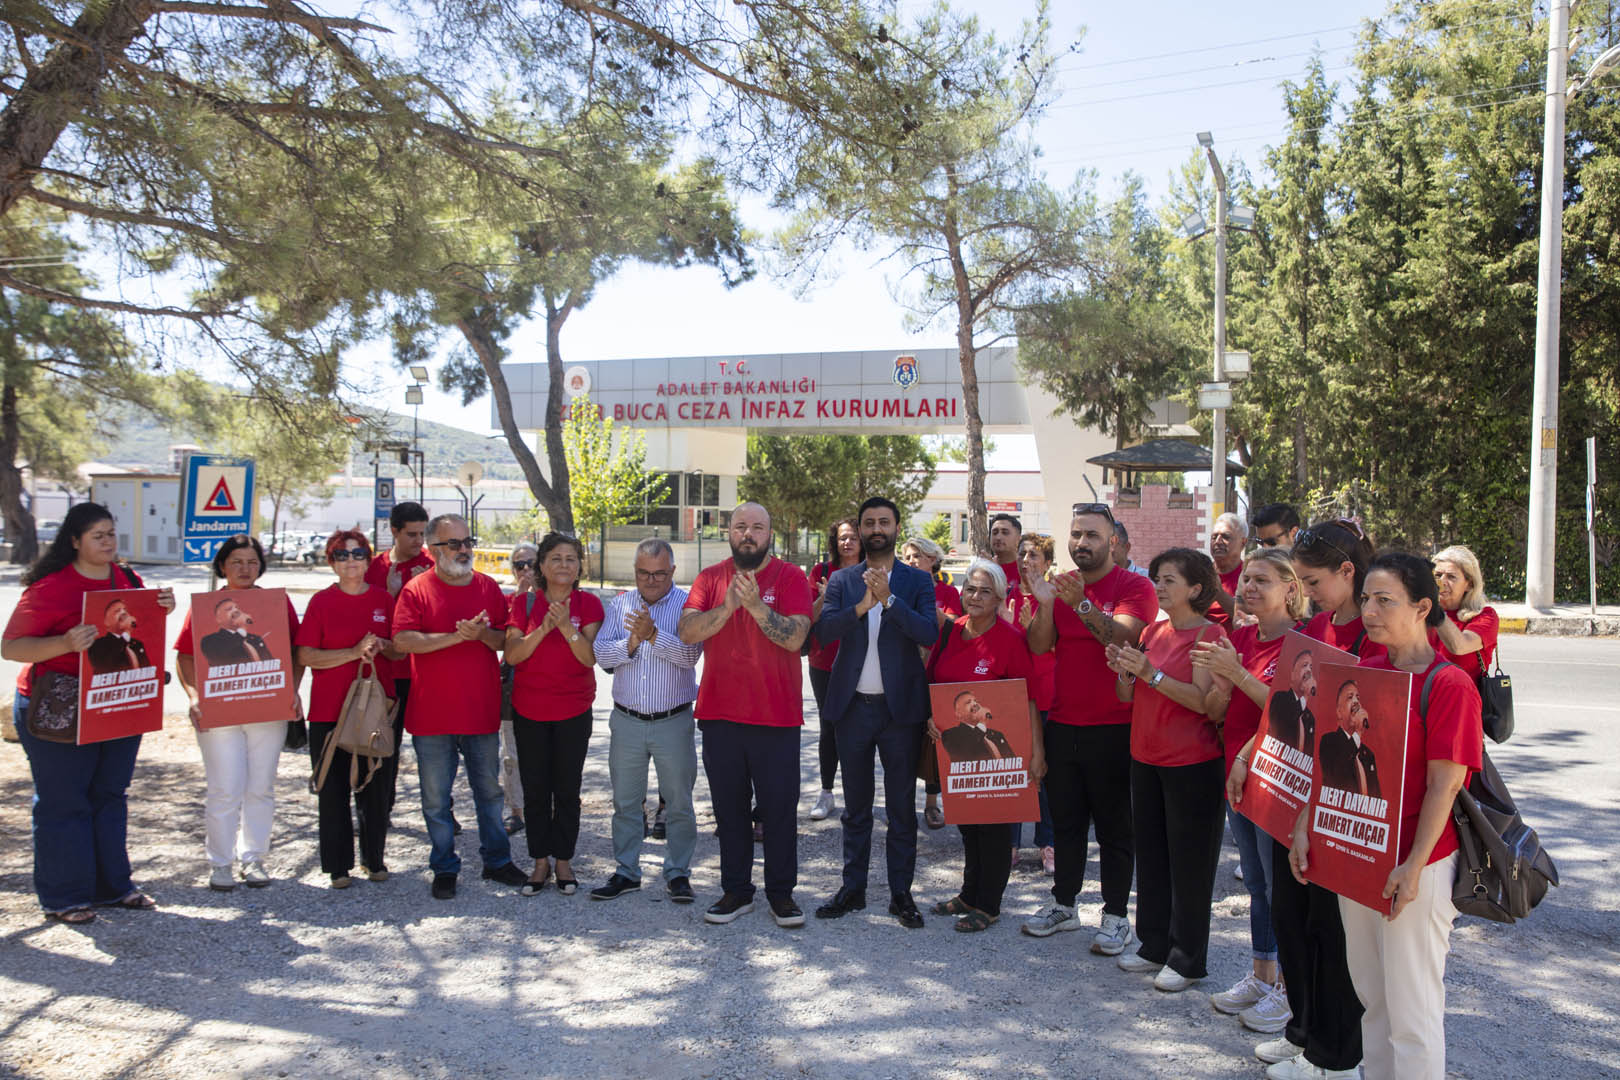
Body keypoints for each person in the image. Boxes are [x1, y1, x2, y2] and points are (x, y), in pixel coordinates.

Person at [1292, 552, 1481, 1080]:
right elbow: (1326, 768)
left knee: (1412, 1015)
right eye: (1367, 599)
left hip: (1417, 864)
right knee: (1373, 1003)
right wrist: (1305, 827)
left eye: (1385, 600)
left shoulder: (1449, 684)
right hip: (1359, 857)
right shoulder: (1365, 675)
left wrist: (1414, 866)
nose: (1370, 611)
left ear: (1422, 608)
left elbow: (1446, 785)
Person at [3, 503, 174, 922]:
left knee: (110, 795)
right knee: (64, 801)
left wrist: (160, 607)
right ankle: (64, 897)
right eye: (98, 535)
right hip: (60, 705)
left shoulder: (127, 579)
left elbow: (139, 631)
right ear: (75, 541)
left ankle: (113, 887)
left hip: (117, 701)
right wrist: (63, 643)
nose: (108, 542)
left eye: (111, 533)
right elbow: (11, 646)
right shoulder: (51, 588)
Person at [1254, 518, 1381, 1078]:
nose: (1306, 593)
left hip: (1341, 805)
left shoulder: (1374, 635)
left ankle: (1336, 1055)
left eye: (1312, 581)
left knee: (1333, 931)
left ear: (1348, 571)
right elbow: (1285, 700)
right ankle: (1303, 1030)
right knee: (1291, 916)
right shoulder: (1319, 627)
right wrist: (1248, 755)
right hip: (1295, 796)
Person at [1022, 502, 1158, 952]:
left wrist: (1080, 602)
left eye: (1092, 535)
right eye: (1076, 534)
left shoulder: (1135, 586)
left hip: (1116, 726)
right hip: (1064, 723)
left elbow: (1123, 638)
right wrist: (1046, 604)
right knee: (1066, 823)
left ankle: (1116, 915)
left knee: (1116, 828)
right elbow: (1039, 645)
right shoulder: (1061, 585)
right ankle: (1064, 904)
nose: (1082, 543)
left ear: (1113, 542)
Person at [679, 502, 813, 928]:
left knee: (779, 811)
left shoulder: (790, 578)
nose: (748, 534)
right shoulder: (709, 578)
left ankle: (781, 894)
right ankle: (736, 891)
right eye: (741, 526)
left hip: (776, 717)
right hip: (721, 716)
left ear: (770, 534)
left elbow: (795, 638)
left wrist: (755, 606)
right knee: (729, 811)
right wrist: (728, 607)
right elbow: (687, 631)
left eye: (757, 527)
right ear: (729, 533)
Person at [1104, 548, 1228, 993]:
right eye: (1157, 578)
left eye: (1169, 580)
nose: (1159, 586)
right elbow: (1126, 696)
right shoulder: (1153, 631)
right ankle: (1153, 944)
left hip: (1192, 764)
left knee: (1190, 866)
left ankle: (1187, 958)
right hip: (1146, 757)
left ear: (1196, 588)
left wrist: (1150, 673)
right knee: (1153, 858)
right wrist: (1125, 672)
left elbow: (1203, 702)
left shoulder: (1211, 635)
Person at [1197, 547, 1309, 1034]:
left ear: (1291, 589)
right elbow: (1216, 711)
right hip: (1237, 774)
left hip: (1278, 778)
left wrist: (1238, 674)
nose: (1249, 588)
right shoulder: (1239, 638)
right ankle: (1262, 975)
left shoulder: (1303, 643)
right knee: (1258, 884)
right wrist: (1222, 683)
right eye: (1246, 579)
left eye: (1262, 580)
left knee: (1281, 887)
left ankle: (1288, 987)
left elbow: (1293, 712)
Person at [813, 497, 938, 930]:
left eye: (884, 521)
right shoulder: (842, 580)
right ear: (862, 529)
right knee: (856, 808)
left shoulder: (917, 581)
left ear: (897, 527)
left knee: (901, 809)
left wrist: (889, 601)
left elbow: (928, 633)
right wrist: (862, 605)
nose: (876, 529)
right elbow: (824, 631)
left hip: (899, 713)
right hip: (853, 710)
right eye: (869, 522)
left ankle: (901, 894)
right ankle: (853, 889)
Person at [391, 514, 526, 900]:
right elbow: (402, 641)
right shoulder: (416, 590)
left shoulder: (487, 587)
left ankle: (497, 861)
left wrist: (480, 634)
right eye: (454, 544)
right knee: (436, 800)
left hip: (479, 712)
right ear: (433, 549)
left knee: (490, 794)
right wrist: (454, 638)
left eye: (468, 541)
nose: (464, 549)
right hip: (431, 716)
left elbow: (504, 642)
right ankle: (445, 867)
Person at [175, 534, 304, 891]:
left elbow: (295, 652)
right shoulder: (204, 610)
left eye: (252, 562)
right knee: (224, 788)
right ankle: (220, 863)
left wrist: (292, 689)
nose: (245, 569)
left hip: (268, 710)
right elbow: (185, 657)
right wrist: (193, 696)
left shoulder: (275, 605)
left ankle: (254, 858)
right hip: (219, 713)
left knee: (261, 786)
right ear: (222, 566)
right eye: (236, 562)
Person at [925, 559, 1045, 932]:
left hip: (998, 751)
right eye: (970, 589)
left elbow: (1029, 699)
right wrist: (933, 719)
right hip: (958, 750)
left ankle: (989, 905)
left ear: (999, 598)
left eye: (985, 591)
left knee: (993, 829)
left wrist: (1037, 752)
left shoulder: (1010, 639)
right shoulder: (950, 631)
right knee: (968, 824)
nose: (975, 596)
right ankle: (969, 894)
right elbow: (936, 683)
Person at [589, 538, 704, 903]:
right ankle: (626, 871)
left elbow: (689, 656)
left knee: (679, 803)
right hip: (627, 721)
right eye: (643, 573)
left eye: (659, 574)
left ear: (673, 571)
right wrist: (632, 643)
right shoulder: (621, 604)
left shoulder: (687, 605)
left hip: (673, 721)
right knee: (626, 802)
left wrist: (653, 634)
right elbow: (601, 655)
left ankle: (678, 872)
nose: (651, 581)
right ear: (635, 571)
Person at [294, 531, 401, 888]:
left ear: (368, 559)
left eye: (357, 553)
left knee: (375, 788)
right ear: (332, 562)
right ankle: (338, 867)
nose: (350, 560)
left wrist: (383, 645)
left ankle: (374, 859)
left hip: (374, 710)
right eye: (342, 554)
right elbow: (306, 655)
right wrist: (353, 653)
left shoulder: (384, 600)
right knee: (332, 789)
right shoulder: (321, 602)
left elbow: (400, 650)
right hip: (329, 712)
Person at [504, 531, 603, 896]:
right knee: (535, 790)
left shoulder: (589, 604)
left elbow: (589, 658)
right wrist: (544, 628)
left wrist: (566, 628)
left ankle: (563, 860)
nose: (564, 565)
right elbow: (513, 655)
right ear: (542, 566)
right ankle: (539, 862)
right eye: (556, 558)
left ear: (579, 567)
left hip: (573, 711)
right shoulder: (524, 603)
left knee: (566, 790)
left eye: (571, 559)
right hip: (529, 711)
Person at [365, 501, 432, 819]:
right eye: (411, 534)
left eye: (422, 534)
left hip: (421, 674)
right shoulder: (374, 568)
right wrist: (393, 594)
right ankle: (378, 811)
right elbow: (367, 618)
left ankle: (442, 811)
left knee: (433, 747)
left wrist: (425, 588)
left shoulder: (431, 566)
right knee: (381, 746)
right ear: (394, 531)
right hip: (384, 674)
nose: (419, 541)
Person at [899, 535, 962, 830]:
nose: (911, 562)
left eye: (917, 556)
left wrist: (922, 602)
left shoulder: (947, 592)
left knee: (934, 739)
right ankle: (901, 804)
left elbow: (953, 626)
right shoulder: (898, 590)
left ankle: (932, 803)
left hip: (936, 674)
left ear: (932, 560)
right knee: (903, 741)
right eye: (907, 557)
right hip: (905, 675)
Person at [1010, 532, 1058, 874]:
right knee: (1012, 772)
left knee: (1045, 774)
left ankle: (1048, 843)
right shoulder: (1005, 595)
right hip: (1012, 696)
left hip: (1047, 694)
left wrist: (1033, 630)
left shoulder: (1056, 598)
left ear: (1048, 563)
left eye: (1034, 555)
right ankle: (1009, 843)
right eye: (1022, 554)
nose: (1026, 560)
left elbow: (1065, 647)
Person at [806, 518, 860, 822]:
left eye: (853, 537)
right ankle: (826, 792)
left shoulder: (871, 572)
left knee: (859, 728)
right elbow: (807, 617)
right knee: (829, 727)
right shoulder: (821, 572)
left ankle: (857, 795)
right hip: (824, 661)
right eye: (842, 538)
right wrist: (824, 597)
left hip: (861, 661)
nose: (847, 543)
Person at [499, 543, 537, 834]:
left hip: (543, 687)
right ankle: (516, 810)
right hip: (511, 686)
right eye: (519, 565)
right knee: (511, 753)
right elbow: (501, 641)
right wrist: (519, 601)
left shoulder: (551, 600)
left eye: (531, 564)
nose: (525, 570)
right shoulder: (506, 602)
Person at [1431, 544, 1499, 682]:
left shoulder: (1485, 616)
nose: (1442, 582)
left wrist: (1434, 609)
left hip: (1462, 693)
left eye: (1451, 577)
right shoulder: (1421, 612)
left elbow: (1459, 646)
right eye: (1438, 575)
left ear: (1469, 584)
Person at [1317, 680, 1382, 798]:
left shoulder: (1368, 755)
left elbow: (1376, 797)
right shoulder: (1328, 741)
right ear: (1339, 712)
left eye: (1358, 697)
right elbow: (1336, 778)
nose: (1356, 701)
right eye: (1350, 697)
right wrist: (1358, 734)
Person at [1267, 649, 1318, 755]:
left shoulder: (1310, 718)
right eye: (1304, 665)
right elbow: (1282, 726)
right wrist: (1305, 697)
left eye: (1311, 667)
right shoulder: (1280, 698)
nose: (1309, 670)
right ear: (1292, 674)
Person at [85, 597, 152, 674]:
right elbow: (105, 667)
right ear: (107, 622)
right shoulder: (97, 644)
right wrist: (126, 633)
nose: (124, 613)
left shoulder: (137, 644)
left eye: (125, 610)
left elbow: (147, 671)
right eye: (117, 611)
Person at [1207, 512, 1248, 628]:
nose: (1217, 541)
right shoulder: (1201, 572)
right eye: (1214, 537)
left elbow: (1245, 616)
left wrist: (1219, 593)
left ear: (1243, 542)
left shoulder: (1250, 576)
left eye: (1226, 537)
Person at [988, 513, 1022, 587]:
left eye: (1005, 533)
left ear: (1019, 538)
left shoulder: (1025, 569)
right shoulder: (984, 567)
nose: (998, 537)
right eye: (994, 533)